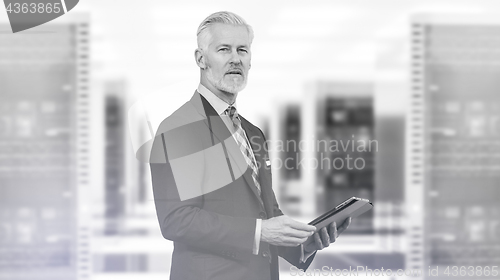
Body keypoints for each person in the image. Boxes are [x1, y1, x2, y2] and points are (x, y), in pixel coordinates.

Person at [149, 11, 351, 280]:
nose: (236, 58)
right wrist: (259, 231)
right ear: (201, 59)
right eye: (224, 49)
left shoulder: (252, 132)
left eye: (242, 50)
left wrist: (305, 242)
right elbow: (177, 219)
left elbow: (268, 214)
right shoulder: (178, 127)